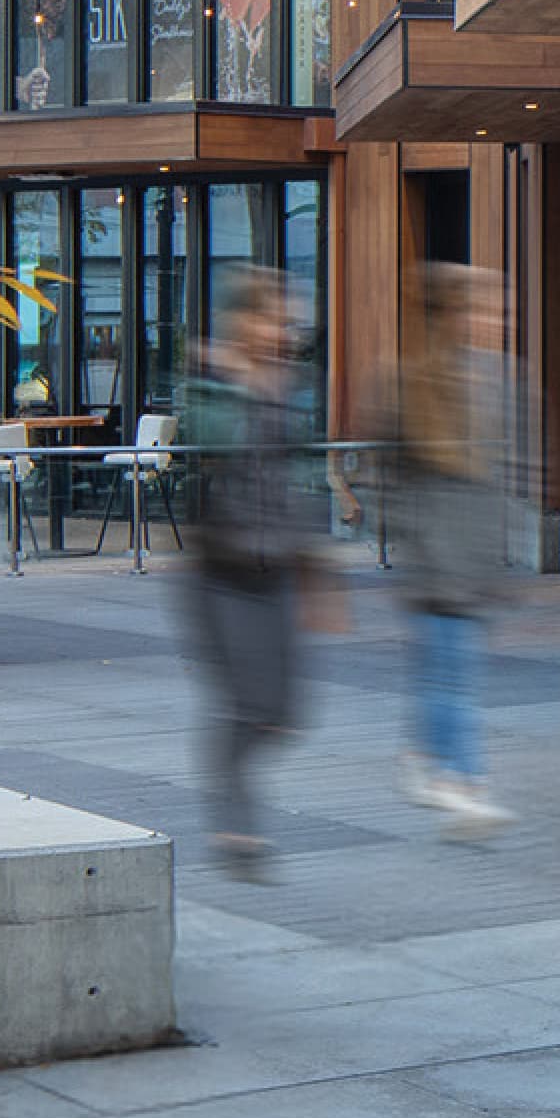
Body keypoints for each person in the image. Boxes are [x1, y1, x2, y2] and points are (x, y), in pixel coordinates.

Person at [171, 267, 324, 879]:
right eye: (272, 318)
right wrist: (238, 383)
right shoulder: (209, 382)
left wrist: (319, 566)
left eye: (287, 319)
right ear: (243, 320)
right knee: (242, 704)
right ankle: (237, 825)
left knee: (285, 712)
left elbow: (298, 471)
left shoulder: (292, 384)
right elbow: (212, 446)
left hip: (279, 565)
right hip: (220, 569)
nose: (283, 330)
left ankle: (234, 799)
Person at [379, 264, 529, 840]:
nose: (495, 319)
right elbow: (391, 478)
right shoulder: (411, 382)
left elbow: (509, 476)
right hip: (437, 561)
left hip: (474, 556)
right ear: (452, 314)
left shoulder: (503, 379)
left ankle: (423, 758)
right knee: (455, 673)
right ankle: (467, 783)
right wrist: (426, 550)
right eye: (486, 308)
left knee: (443, 674)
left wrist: (500, 554)